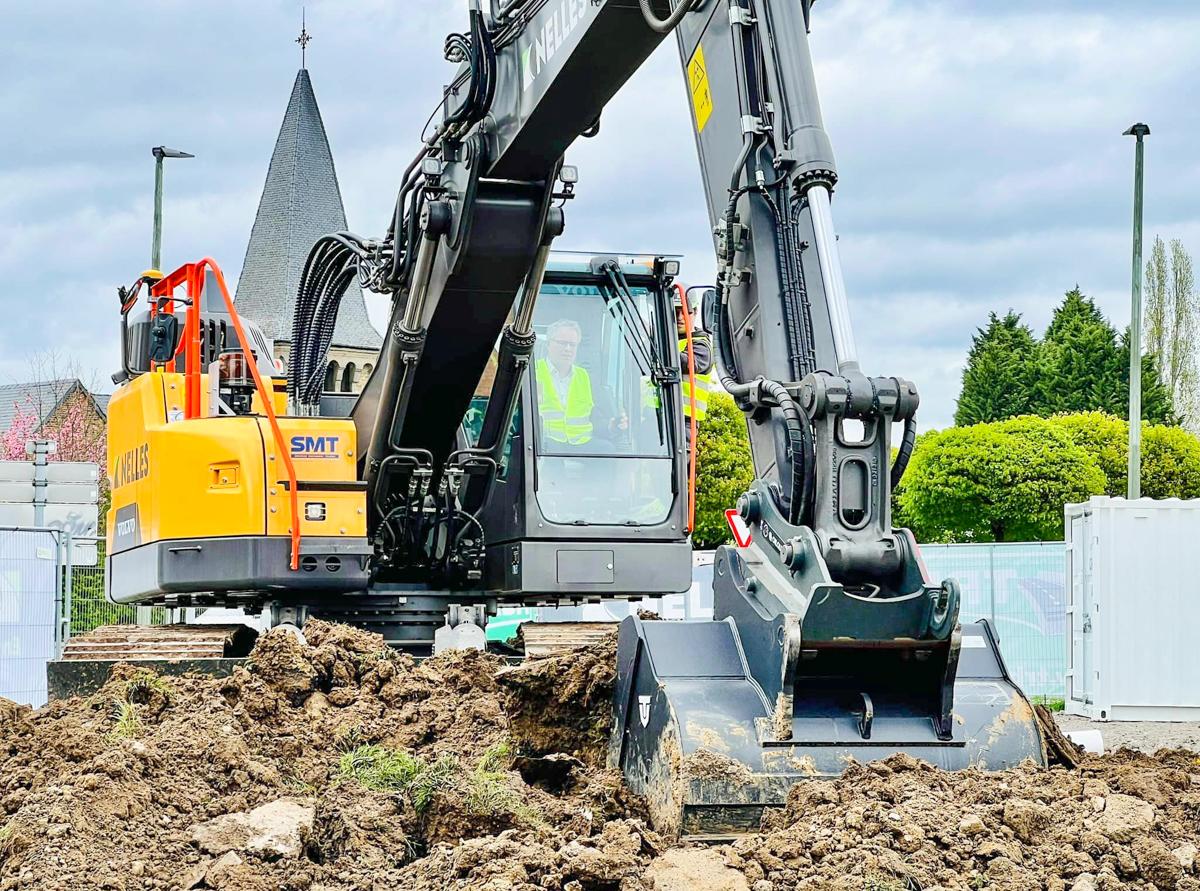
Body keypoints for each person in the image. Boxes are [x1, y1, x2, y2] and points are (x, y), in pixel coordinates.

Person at [535, 319, 600, 446]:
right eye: (562, 343)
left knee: (608, 449)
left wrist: (611, 425)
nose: (568, 349)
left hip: (581, 443)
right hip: (545, 443)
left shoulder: (584, 376)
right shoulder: (534, 372)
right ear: (548, 344)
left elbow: (594, 414)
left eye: (572, 344)